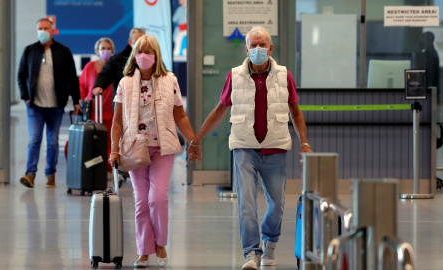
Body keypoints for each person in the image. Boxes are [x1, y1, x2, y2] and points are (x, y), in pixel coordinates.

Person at [187, 26, 313, 270]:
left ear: (270, 48)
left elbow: (295, 112)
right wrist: (197, 139)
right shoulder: (234, 76)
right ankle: (252, 254)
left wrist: (304, 143)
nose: (258, 49)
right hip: (245, 148)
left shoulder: (284, 76)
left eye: (262, 44)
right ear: (246, 49)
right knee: (247, 204)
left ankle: (270, 244)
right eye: (253, 45)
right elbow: (220, 110)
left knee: (277, 204)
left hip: (275, 148)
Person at [109, 35, 197, 268]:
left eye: (149, 52)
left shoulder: (170, 80)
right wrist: (114, 151)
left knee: (156, 198)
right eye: (140, 51)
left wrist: (192, 141)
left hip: (163, 148)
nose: (144, 56)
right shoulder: (125, 83)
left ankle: (160, 243)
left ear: (156, 55)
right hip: (134, 150)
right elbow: (117, 122)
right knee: (141, 201)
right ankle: (144, 250)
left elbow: (180, 115)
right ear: (134, 55)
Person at [17, 18, 81, 188]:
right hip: (35, 105)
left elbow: (72, 79)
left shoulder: (63, 51)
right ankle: (30, 174)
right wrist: (26, 97)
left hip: (56, 106)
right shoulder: (30, 51)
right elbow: (21, 75)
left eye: (46, 28)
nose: (43, 31)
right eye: (40, 28)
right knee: (35, 140)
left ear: (52, 30)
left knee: (52, 141)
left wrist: (76, 101)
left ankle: (51, 174)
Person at [79, 37, 116, 175]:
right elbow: (82, 85)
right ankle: (95, 168)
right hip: (94, 112)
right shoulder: (89, 67)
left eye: (108, 49)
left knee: (110, 143)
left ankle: (109, 169)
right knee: (95, 142)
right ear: (97, 51)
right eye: (102, 48)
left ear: (112, 51)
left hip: (111, 112)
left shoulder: (115, 67)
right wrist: (80, 102)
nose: (105, 51)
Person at [92, 28, 146, 107]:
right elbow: (105, 74)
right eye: (137, 40)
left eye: (143, 41)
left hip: (144, 102)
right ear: (130, 42)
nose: (140, 44)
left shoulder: (150, 57)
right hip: (122, 103)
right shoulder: (117, 59)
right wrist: (98, 85)